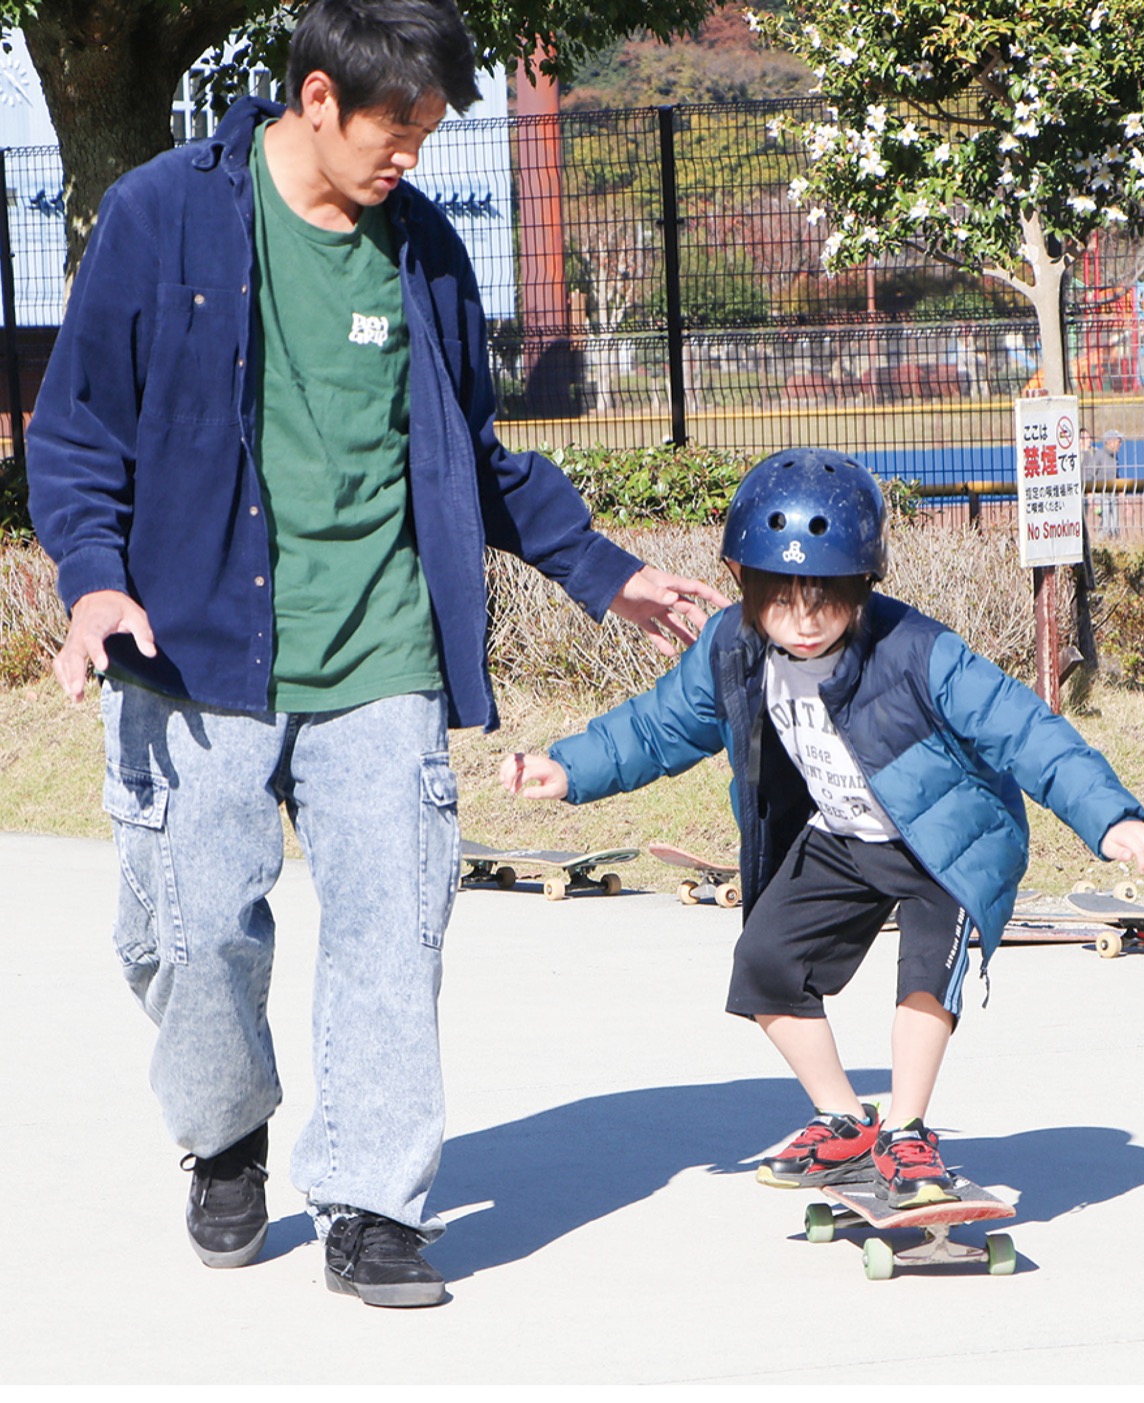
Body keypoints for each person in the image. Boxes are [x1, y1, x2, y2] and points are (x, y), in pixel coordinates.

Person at [26, 0, 727, 1310]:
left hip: (380, 653)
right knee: (189, 943)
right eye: (391, 129)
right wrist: (96, 583)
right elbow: (74, 435)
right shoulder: (160, 215)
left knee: (394, 932)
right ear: (313, 100)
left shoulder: (423, 256)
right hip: (194, 651)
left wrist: (605, 570)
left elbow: (476, 454)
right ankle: (227, 1127)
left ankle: (372, 1199)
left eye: (424, 130)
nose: (409, 154)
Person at [501, 448, 1144, 1208]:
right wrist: (568, 768)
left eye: (825, 605)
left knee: (924, 976)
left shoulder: (917, 651)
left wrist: (1109, 817)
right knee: (764, 964)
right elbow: (656, 728)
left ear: (863, 587)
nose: (804, 625)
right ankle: (847, 1121)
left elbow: (1024, 730)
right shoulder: (732, 647)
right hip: (846, 834)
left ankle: (910, 1133)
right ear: (744, 587)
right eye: (781, 605)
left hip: (945, 842)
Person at [1082, 426, 1123, 538]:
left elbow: (1116, 476)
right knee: (1106, 525)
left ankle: (1113, 546)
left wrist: (1124, 497)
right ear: (1110, 442)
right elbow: (1089, 475)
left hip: (1112, 494)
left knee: (1114, 526)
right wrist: (1091, 499)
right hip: (1101, 495)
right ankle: (1100, 545)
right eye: (1118, 441)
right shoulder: (1099, 455)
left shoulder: (1115, 458)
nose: (1120, 444)